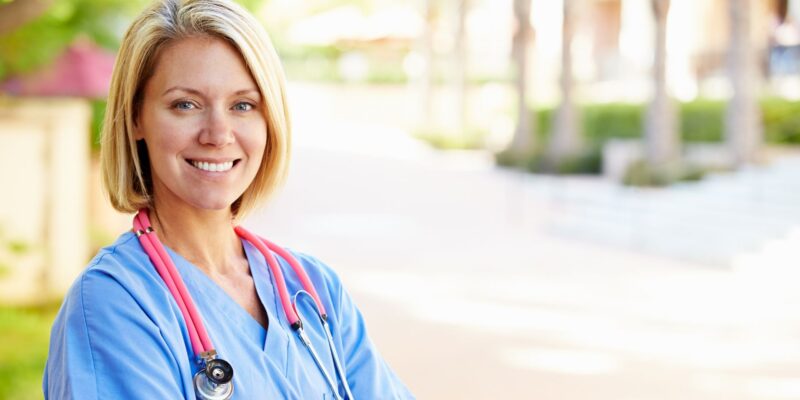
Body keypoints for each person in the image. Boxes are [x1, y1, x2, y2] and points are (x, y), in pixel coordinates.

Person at [43, 0, 414, 398]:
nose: (218, 134)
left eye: (243, 105)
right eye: (185, 104)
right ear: (136, 117)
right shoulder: (115, 303)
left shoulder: (313, 290)